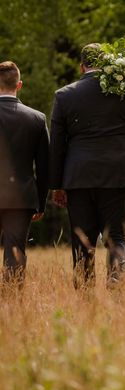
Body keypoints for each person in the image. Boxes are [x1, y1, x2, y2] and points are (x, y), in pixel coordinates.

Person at [49, 43, 125, 290]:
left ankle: (85, 298)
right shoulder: (124, 91)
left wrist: (56, 186)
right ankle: (115, 278)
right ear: (106, 64)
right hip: (117, 175)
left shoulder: (64, 95)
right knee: (118, 236)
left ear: (81, 65)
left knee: (82, 241)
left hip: (78, 177)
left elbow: (56, 145)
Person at [0, 61, 49, 287]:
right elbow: (44, 165)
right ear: (19, 85)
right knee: (15, 251)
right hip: (21, 197)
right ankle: (12, 302)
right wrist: (40, 202)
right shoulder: (36, 119)